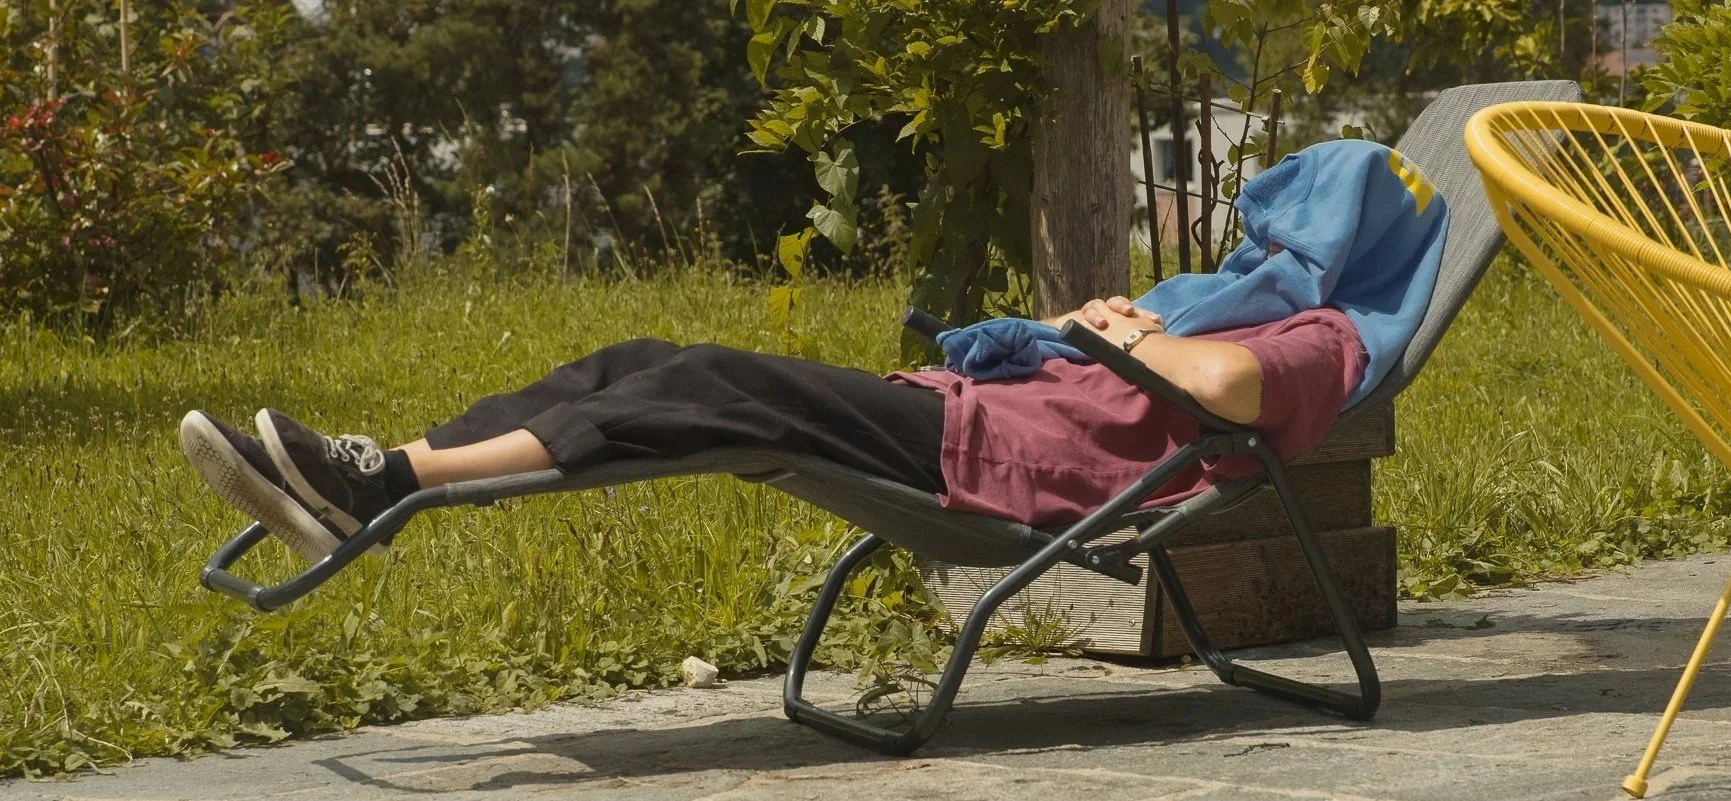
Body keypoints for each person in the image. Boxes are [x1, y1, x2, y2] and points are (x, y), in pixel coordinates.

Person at [179, 295, 1366, 563]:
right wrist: (1088, 324)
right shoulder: (1223, 306)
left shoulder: (1324, 332)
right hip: (959, 422)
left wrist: (1131, 330)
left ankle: (382, 487)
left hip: (1005, 471)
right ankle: (378, 477)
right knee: (644, 362)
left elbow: (1226, 389)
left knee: (710, 380)